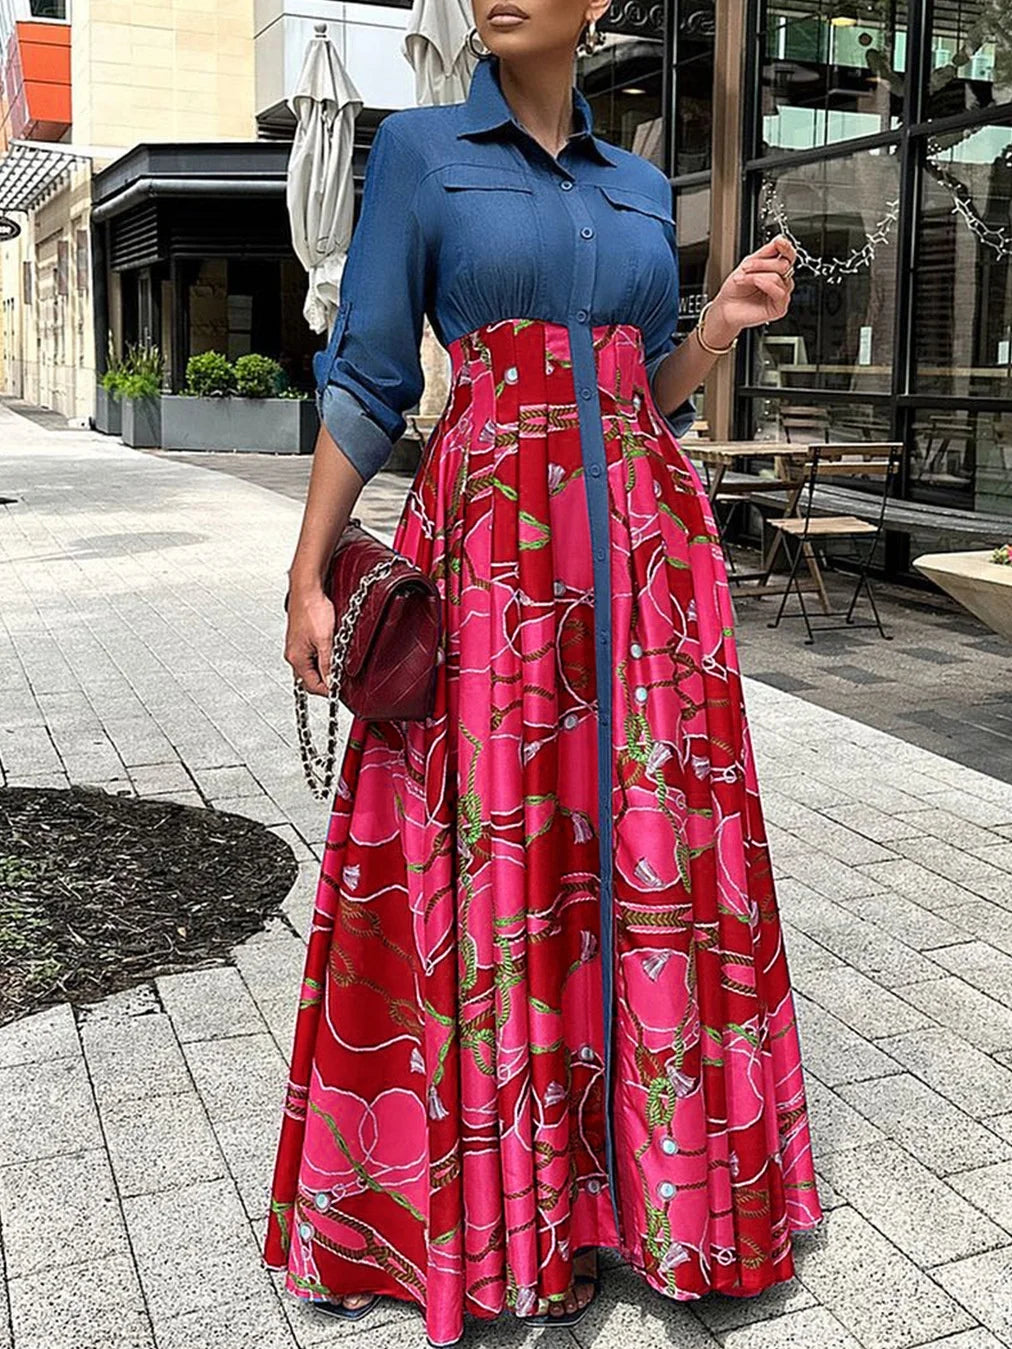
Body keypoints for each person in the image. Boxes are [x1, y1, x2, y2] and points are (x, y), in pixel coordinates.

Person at [264, 3, 823, 1345]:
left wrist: (720, 324)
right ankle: (515, 1215)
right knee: (500, 858)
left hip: (646, 568)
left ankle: (648, 1197)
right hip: (496, 567)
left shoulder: (641, 186)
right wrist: (308, 570)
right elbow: (370, 378)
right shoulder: (421, 153)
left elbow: (644, 390)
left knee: (642, 851)